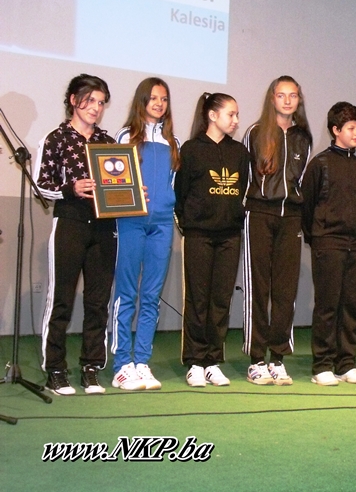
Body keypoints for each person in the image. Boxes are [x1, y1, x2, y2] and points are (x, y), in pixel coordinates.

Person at [34, 74, 116, 395]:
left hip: (105, 227)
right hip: (70, 223)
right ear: (73, 100)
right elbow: (41, 185)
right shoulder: (55, 139)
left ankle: (91, 367)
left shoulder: (109, 143)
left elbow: (119, 185)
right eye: (90, 100)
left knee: (98, 301)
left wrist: (133, 194)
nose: (96, 108)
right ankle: (55, 369)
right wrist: (71, 188)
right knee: (62, 300)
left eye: (101, 102)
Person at [241, 76, 312, 385]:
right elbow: (245, 177)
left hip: (291, 218)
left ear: (299, 100)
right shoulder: (255, 133)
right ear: (272, 99)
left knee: (285, 290)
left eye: (292, 95)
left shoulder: (303, 137)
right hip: (259, 215)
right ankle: (256, 358)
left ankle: (278, 357)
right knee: (258, 289)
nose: (287, 100)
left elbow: (302, 181)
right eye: (281, 95)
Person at [110, 77, 180, 391]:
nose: (159, 104)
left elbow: (172, 185)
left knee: (151, 297)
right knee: (127, 294)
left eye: (164, 99)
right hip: (131, 223)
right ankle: (121, 365)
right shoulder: (125, 136)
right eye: (153, 98)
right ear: (142, 101)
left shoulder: (173, 142)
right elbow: (114, 183)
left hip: (162, 226)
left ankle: (141, 362)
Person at [175, 93, 249, 387]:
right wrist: (189, 224)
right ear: (212, 115)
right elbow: (181, 193)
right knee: (198, 298)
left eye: (237, 114)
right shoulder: (191, 149)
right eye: (231, 114)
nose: (236, 120)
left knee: (221, 299)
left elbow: (242, 188)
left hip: (229, 236)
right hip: (199, 235)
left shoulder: (239, 152)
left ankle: (213, 360)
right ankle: (195, 361)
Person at [302, 102, 356, 386]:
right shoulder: (319, 164)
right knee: (327, 306)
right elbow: (307, 206)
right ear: (335, 130)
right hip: (328, 242)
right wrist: (318, 237)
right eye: (351, 128)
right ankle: (322, 365)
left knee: (351, 306)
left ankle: (346, 363)